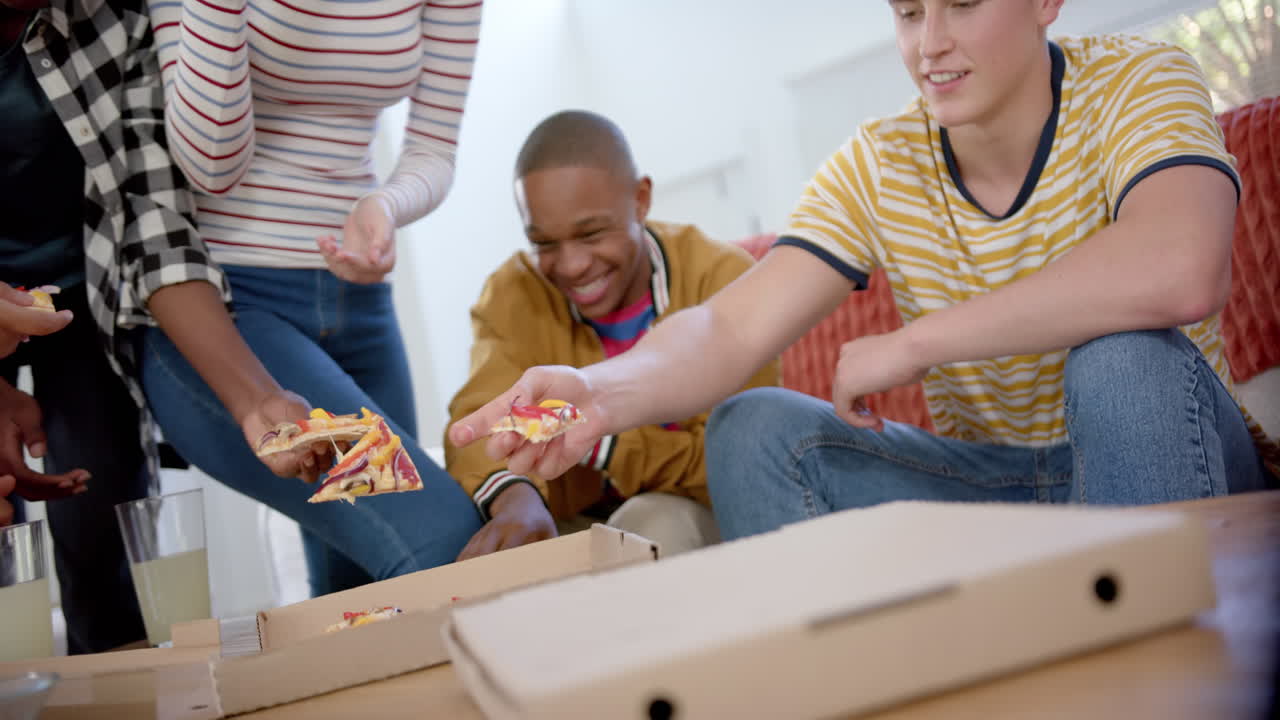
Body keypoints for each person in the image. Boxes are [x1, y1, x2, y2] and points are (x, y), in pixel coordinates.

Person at [449, 0, 1277, 544]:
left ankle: (1147, 652)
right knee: (753, 426)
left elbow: (1179, 266)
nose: (930, 44)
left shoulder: (1141, 80)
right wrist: (604, 393)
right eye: (910, 12)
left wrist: (917, 344)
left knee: (1122, 361)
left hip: (1163, 454)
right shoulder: (879, 162)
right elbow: (733, 324)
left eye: (962, 4)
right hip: (993, 495)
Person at [0, 0, 322, 653]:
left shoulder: (115, 13)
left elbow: (156, 219)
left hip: (89, 295)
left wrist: (257, 400)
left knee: (102, 534)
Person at [141, 0, 486, 596]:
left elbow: (434, 148)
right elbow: (209, 165)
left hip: (364, 308)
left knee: (357, 598)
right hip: (233, 311)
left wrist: (383, 203)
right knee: (445, 547)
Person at [446, 111, 778, 560]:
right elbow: (478, 422)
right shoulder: (512, 293)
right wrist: (516, 499)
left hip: (701, 513)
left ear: (641, 200)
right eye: (543, 243)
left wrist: (603, 440)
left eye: (592, 233)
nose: (571, 265)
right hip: (570, 521)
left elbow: (740, 462)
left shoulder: (723, 277)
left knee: (646, 527)